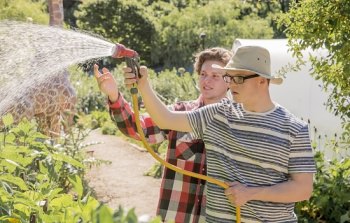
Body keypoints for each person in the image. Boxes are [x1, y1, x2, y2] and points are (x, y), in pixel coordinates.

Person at [121, 45, 316, 222]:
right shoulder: (218, 114)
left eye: (238, 78)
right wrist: (144, 85)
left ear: (262, 81)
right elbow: (166, 119)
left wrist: (252, 193)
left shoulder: (294, 128)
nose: (231, 85)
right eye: (229, 78)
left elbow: (303, 189)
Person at [94, 47, 232, 223]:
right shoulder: (179, 114)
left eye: (215, 76)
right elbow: (138, 129)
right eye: (203, 74)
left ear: (230, 81)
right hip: (176, 216)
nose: (207, 80)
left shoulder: (237, 122)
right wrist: (114, 95)